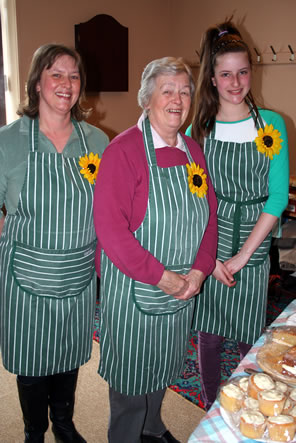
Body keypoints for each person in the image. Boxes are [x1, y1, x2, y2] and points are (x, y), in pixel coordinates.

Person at [93, 56, 218, 443]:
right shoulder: (124, 151)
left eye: (184, 91)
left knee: (163, 367)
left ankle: (152, 426)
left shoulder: (193, 151)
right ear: (147, 99)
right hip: (135, 292)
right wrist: (160, 276)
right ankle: (130, 433)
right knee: (132, 382)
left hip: (181, 290)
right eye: (168, 91)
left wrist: (200, 270)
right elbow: (111, 231)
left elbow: (209, 217)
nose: (178, 99)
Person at [0, 44, 109, 442]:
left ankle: (64, 424)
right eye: (56, 74)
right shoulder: (8, 141)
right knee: (31, 359)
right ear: (36, 82)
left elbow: (111, 210)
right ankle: (34, 431)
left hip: (78, 275)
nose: (66, 84)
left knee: (66, 355)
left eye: (74, 76)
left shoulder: (96, 141)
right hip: (25, 275)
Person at [186, 19, 289, 410]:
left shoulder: (273, 124)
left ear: (252, 72)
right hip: (209, 242)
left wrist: (244, 255)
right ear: (211, 78)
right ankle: (212, 407)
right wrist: (209, 259)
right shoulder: (200, 128)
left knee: (250, 338)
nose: (235, 82)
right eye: (225, 73)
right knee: (209, 336)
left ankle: (253, 408)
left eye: (242, 72)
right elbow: (195, 197)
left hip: (254, 243)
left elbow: (277, 197)